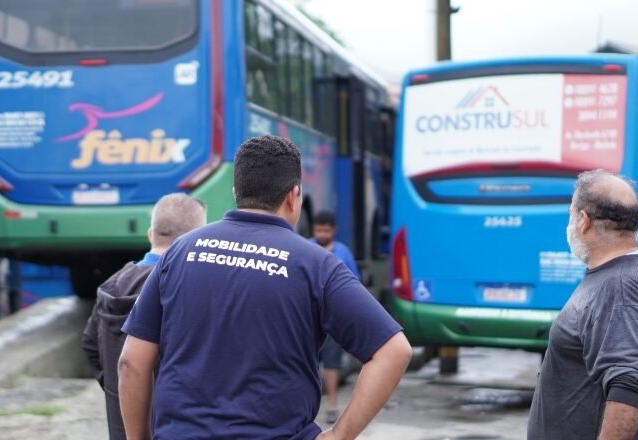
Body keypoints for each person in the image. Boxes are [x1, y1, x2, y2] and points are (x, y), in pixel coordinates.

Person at [118, 135, 412, 439]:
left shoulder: (179, 252)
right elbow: (393, 350)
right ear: (293, 196)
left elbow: (131, 362)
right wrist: (340, 435)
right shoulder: (316, 265)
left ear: (236, 192)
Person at [527, 170, 638, 439]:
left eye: (571, 212)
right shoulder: (625, 276)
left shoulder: (623, 287)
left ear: (583, 220)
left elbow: (629, 384)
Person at [81, 193, 206, 440]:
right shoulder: (190, 287)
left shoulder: (112, 286)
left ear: (151, 234)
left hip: (124, 429)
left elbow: (90, 347)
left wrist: (120, 390)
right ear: (195, 240)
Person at [311, 210, 361, 424]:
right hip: (308, 318)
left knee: (332, 364)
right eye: (319, 230)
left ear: (334, 231)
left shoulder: (343, 253)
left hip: (332, 320)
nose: (322, 234)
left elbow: (354, 285)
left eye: (326, 230)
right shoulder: (305, 248)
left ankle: (332, 405)